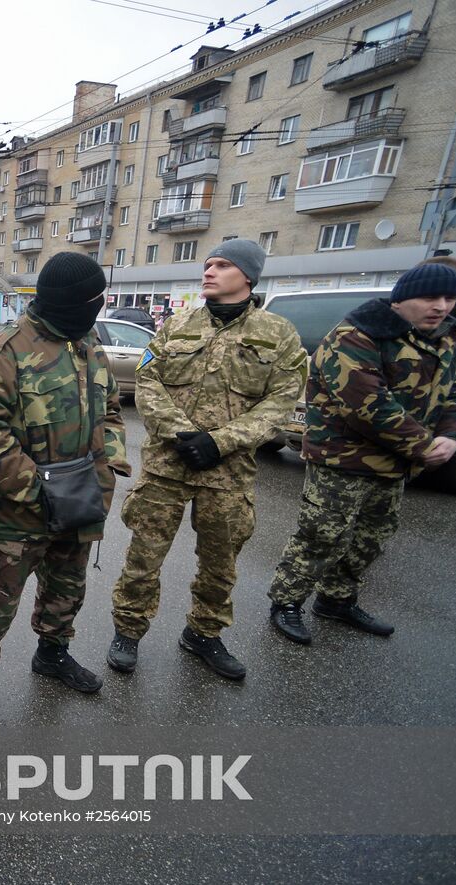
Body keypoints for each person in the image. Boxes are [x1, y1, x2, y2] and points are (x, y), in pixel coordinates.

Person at [108, 239, 306, 680]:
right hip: (166, 466)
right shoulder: (176, 326)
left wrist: (221, 441)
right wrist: (182, 433)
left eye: (222, 265)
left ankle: (204, 634)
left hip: (228, 473)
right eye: (208, 264)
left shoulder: (278, 335)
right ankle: (128, 631)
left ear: (248, 276)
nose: (209, 271)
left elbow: (281, 401)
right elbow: (147, 381)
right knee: (144, 556)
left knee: (220, 564)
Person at [0, 253, 130, 720]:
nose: (99, 308)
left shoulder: (89, 344)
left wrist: (109, 461)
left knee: (67, 586)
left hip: (82, 500)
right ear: (73, 302)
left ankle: (51, 653)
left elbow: (111, 410)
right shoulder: (4, 351)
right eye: (95, 300)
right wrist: (37, 491)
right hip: (20, 507)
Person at [267, 263, 456, 643]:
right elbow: (367, 405)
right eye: (430, 297)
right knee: (322, 534)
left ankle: (337, 601)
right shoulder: (357, 336)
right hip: (342, 458)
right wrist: (426, 446)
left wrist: (455, 437)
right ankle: (287, 601)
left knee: (371, 536)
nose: (441, 306)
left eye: (450, 298)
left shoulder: (446, 341)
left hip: (396, 464)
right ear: (401, 299)